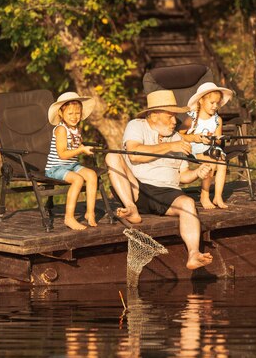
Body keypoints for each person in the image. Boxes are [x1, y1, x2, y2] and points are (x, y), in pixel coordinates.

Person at [105, 90, 214, 270]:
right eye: (170, 116)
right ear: (153, 116)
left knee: (187, 203)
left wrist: (197, 173)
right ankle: (131, 209)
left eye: (175, 117)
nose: (174, 121)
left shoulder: (178, 138)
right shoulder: (137, 126)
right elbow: (134, 154)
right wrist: (170, 145)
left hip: (167, 193)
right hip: (135, 188)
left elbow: (183, 175)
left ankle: (194, 253)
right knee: (112, 156)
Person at [45, 91, 98, 231]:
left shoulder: (75, 129)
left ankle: (90, 212)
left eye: (77, 113)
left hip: (71, 165)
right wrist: (81, 150)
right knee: (78, 180)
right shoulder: (61, 130)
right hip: (56, 167)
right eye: (70, 114)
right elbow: (62, 154)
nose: (75, 117)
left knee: (92, 175)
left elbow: (74, 147)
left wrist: (82, 147)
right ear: (61, 114)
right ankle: (69, 217)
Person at [180, 82, 233, 209]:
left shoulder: (217, 120)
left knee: (222, 162)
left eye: (217, 103)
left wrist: (214, 140)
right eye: (212, 103)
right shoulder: (192, 118)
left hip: (211, 147)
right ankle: (204, 195)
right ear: (201, 101)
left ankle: (218, 196)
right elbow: (180, 134)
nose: (215, 106)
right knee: (211, 162)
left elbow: (219, 141)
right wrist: (195, 138)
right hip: (195, 147)